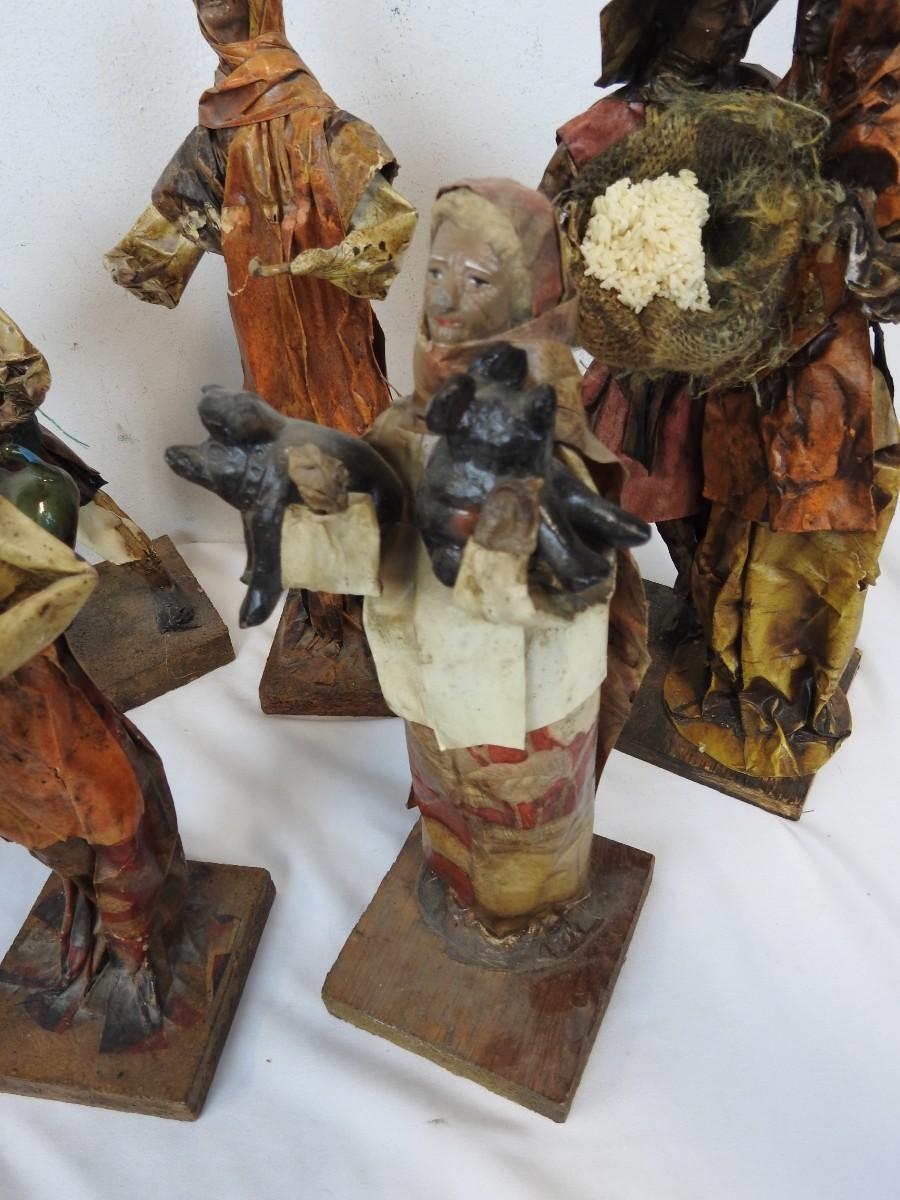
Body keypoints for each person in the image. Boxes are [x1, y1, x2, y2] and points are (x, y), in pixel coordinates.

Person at [170, 179, 652, 935]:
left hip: (527, 700)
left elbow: (560, 580)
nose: (447, 297)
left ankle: (529, 924)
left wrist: (499, 534)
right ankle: (462, 897)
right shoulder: (408, 420)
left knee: (526, 836)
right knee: (446, 805)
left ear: (529, 300)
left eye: (478, 279)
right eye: (436, 270)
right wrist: (329, 498)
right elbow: (371, 543)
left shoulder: (544, 437)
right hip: (430, 677)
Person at [662, 0, 900, 779]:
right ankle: (733, 672)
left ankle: (772, 704)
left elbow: (884, 277)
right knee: (737, 513)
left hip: (820, 376)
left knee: (795, 536)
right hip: (765, 356)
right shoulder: (806, 94)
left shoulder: (870, 110)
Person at [539, 0, 780, 599]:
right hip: (643, 353)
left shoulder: (763, 105)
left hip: (733, 356)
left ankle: (708, 610)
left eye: (750, 11)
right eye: (721, 9)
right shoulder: (614, 124)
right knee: (616, 475)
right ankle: (580, 593)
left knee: (712, 499)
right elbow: (544, 220)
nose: (739, 23)